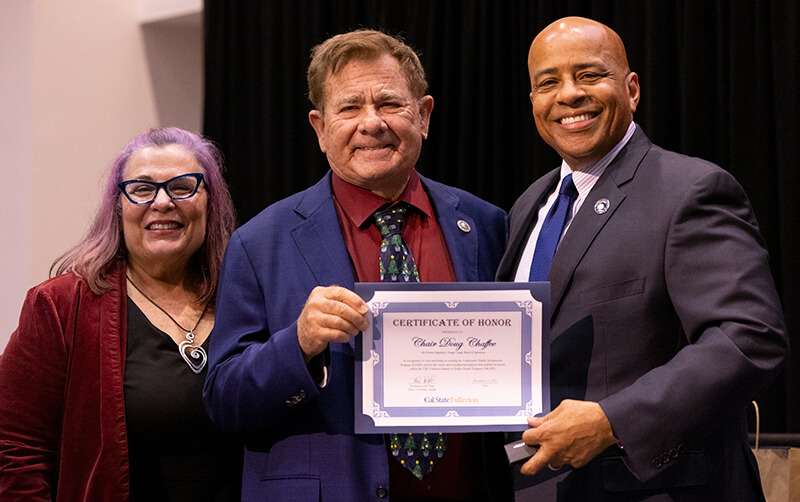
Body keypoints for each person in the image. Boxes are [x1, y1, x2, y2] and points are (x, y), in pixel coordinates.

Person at [203, 29, 511, 501]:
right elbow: (224, 399)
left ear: (424, 116)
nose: (372, 123)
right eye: (349, 108)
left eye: (389, 104)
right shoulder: (259, 243)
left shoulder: (487, 225)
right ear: (319, 128)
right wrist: (299, 344)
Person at [495, 17, 790, 501]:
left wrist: (613, 421)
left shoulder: (690, 190)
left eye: (589, 75)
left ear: (631, 89)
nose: (568, 95)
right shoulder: (530, 205)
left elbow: (750, 339)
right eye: (548, 83)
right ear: (533, 104)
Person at [0, 127, 240, 501]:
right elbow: (15, 449)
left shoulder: (248, 298)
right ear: (118, 206)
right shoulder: (60, 307)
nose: (162, 202)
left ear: (211, 202)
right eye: (142, 189)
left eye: (183, 187)